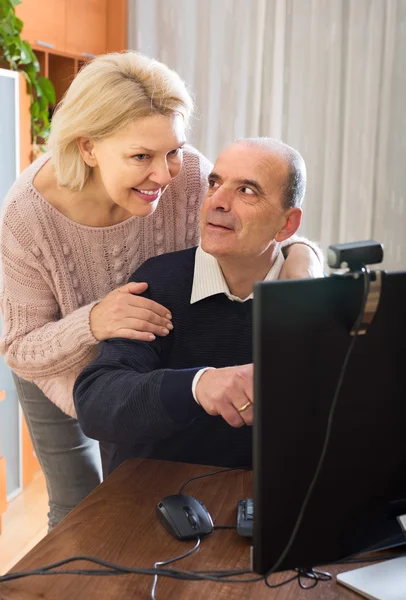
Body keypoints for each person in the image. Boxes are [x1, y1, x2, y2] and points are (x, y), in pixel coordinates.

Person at [0, 51, 321, 530]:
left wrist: (305, 259)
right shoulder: (26, 217)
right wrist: (93, 321)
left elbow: (254, 221)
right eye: (141, 157)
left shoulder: (187, 174)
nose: (166, 174)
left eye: (173, 150)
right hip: (53, 355)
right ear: (89, 148)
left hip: (143, 344)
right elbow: (18, 344)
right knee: (76, 504)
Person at [73, 137, 309, 472]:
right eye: (215, 183)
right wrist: (198, 385)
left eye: (247, 191)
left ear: (287, 224)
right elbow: (96, 404)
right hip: (154, 498)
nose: (218, 201)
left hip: (267, 500)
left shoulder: (313, 299)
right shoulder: (157, 283)